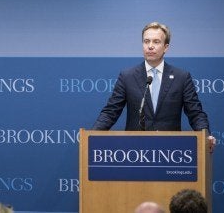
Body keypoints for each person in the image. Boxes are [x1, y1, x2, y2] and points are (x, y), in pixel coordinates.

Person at [92, 22, 216, 151]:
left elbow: (195, 113)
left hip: (171, 151)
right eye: (146, 41)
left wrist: (204, 135)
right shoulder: (127, 76)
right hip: (135, 151)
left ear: (166, 47)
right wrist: (92, 136)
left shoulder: (181, 77)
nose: (150, 46)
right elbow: (111, 111)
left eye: (156, 42)